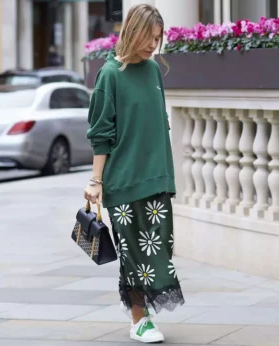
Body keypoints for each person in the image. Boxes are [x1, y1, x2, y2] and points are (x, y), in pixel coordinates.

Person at [83, 4, 184, 344]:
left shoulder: (154, 71)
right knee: (133, 255)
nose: (154, 45)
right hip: (124, 181)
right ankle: (140, 320)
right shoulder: (110, 75)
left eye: (158, 38)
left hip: (156, 177)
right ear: (132, 31)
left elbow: (158, 124)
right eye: (149, 37)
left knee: (160, 250)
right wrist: (96, 182)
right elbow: (101, 134)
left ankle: (146, 316)